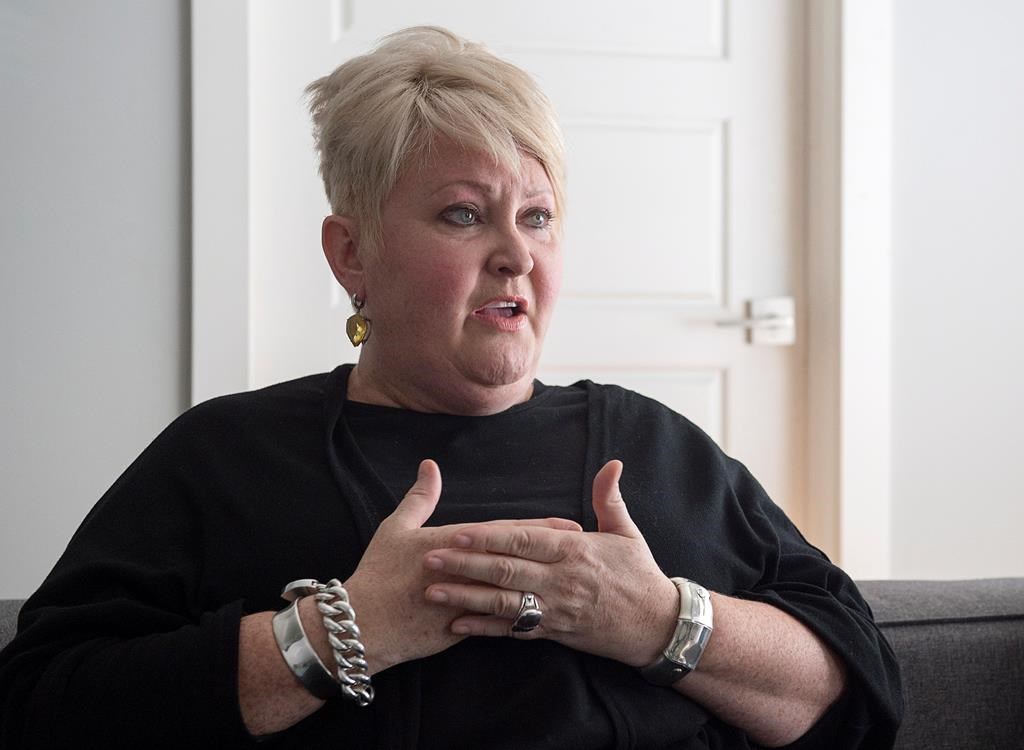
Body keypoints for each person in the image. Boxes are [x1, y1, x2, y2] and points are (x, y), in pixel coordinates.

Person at [0, 26, 901, 749]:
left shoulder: (655, 447)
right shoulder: (226, 456)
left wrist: (660, 620)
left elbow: (856, 689)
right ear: (351, 253)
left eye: (538, 216)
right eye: (464, 214)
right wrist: (346, 631)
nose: (517, 255)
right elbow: (40, 703)